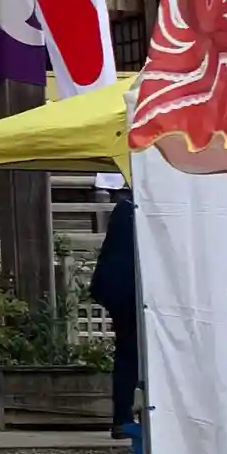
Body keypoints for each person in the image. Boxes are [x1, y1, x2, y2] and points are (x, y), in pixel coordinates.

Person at [89, 179, 140, 439]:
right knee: (133, 353)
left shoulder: (125, 208)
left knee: (127, 353)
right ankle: (127, 417)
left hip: (119, 288)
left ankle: (123, 417)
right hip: (133, 289)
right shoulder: (139, 210)